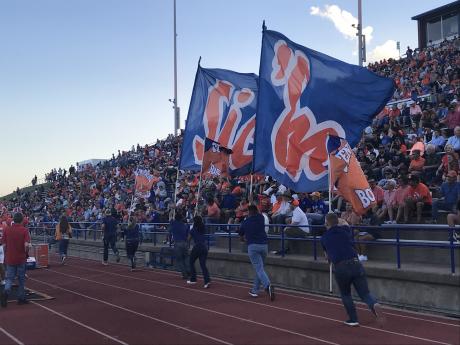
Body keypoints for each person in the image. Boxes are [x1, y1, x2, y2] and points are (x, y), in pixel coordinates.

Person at [321, 213, 383, 326]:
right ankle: (373, 304)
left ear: (326, 223)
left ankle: (353, 319)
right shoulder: (345, 230)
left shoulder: (324, 237)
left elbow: (327, 257)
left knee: (346, 294)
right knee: (365, 293)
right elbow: (345, 223)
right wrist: (336, 220)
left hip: (341, 266)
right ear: (337, 221)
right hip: (355, 262)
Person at [239, 205, 275, 301]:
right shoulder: (261, 218)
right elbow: (257, 211)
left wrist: (243, 239)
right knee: (260, 269)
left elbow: (240, 235)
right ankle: (255, 290)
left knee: (259, 269)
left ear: (249, 212)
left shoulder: (245, 222)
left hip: (253, 246)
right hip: (264, 246)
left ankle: (268, 286)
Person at [1, 213, 31, 307]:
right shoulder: (24, 230)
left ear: (13, 219)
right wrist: (26, 252)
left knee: (9, 278)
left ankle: (6, 292)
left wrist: (6, 254)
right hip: (21, 257)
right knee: (21, 279)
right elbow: (26, 245)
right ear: (22, 220)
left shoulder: (7, 229)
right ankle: (21, 298)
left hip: (10, 258)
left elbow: (4, 245)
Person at [187, 216, 211, 288]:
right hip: (204, 247)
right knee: (203, 265)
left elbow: (188, 239)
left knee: (191, 261)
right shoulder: (203, 228)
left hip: (197, 247)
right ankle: (207, 281)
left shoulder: (193, 229)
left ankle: (193, 279)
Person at [169, 212, 190, 279]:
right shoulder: (185, 225)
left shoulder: (173, 223)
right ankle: (189, 270)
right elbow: (188, 236)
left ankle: (184, 274)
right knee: (186, 258)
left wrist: (172, 210)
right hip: (185, 243)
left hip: (177, 243)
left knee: (180, 260)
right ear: (181, 218)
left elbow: (170, 217)